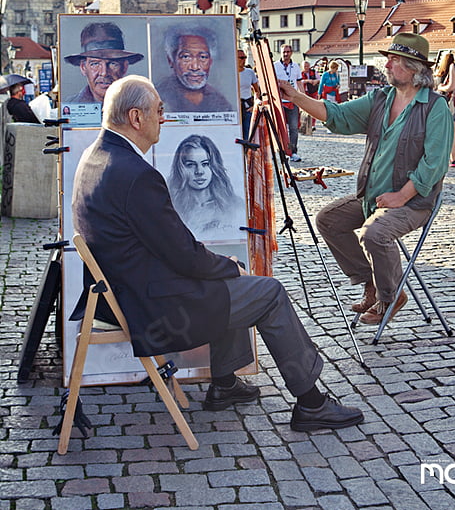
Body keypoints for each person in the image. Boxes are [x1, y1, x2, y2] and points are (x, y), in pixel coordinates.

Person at [71, 75, 365, 432]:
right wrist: (226, 266)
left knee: (230, 276)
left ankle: (225, 384)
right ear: (136, 118)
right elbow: (183, 255)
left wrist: (223, 268)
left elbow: (172, 248)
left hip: (126, 293)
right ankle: (311, 403)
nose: (163, 118)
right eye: (159, 111)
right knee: (266, 292)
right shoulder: (134, 174)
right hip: (153, 308)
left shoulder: (95, 156)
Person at [278, 33, 454, 325]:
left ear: (413, 68)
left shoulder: (434, 107)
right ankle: (371, 282)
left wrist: (402, 196)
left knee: (374, 233)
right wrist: (296, 97)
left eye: (394, 60)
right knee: (329, 220)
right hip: (374, 195)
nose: (387, 64)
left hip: (413, 202)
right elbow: (337, 115)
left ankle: (391, 295)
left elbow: (434, 165)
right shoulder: (380, 99)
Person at [168, 134, 246, 239]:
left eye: (205, 164)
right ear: (180, 169)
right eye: (191, 165)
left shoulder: (234, 205)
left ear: (214, 167)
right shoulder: (171, 206)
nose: (199, 172)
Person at [156, 26, 233, 113]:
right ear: (171, 60)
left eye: (203, 57)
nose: (195, 67)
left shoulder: (220, 102)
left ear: (210, 61)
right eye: (186, 57)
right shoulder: (158, 96)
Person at [64, 22, 143, 104]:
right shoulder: (71, 105)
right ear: (83, 67)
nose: (104, 73)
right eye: (95, 64)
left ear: (125, 67)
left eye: (113, 64)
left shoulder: (140, 105)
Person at [273, 44, 304, 162]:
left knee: (293, 128)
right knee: (279, 128)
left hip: (293, 101)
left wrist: (303, 99)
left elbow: (299, 83)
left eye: (288, 52)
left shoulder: (295, 66)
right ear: (280, 53)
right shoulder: (275, 66)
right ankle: (280, 150)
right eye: (284, 52)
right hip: (279, 102)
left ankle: (293, 151)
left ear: (291, 53)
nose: (286, 54)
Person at [238, 49, 261, 140]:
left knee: (248, 134)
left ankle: (247, 153)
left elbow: (257, 91)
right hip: (235, 107)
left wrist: (255, 104)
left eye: (245, 57)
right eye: (241, 58)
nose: (244, 60)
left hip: (247, 106)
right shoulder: (231, 72)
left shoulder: (249, 72)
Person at [301, 60, 320, 132]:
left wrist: (316, 81)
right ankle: (304, 124)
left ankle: (313, 125)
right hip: (305, 92)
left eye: (307, 66)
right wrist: (307, 81)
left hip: (313, 91)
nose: (306, 67)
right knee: (305, 108)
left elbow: (319, 79)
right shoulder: (301, 73)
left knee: (314, 107)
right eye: (305, 66)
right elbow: (299, 81)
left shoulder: (313, 71)